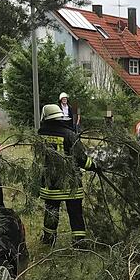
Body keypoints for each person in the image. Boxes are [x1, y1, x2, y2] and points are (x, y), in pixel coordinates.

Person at [37, 103, 98, 246]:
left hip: (51, 182)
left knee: (51, 211)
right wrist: (94, 166)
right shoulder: (69, 134)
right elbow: (81, 159)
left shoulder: (41, 134)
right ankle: (79, 242)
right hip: (71, 182)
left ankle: (48, 239)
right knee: (75, 213)